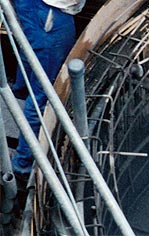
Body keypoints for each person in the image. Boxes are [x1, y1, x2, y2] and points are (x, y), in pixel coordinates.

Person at [9, 0, 84, 180]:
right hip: (50, 10)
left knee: (34, 53)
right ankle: (23, 165)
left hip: (36, 6)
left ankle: (21, 93)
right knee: (43, 95)